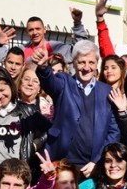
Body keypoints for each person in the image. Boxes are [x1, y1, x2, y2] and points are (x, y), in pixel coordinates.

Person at [34, 39, 119, 177]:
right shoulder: (64, 82)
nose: (86, 68)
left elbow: (113, 132)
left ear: (97, 64)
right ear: (73, 63)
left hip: (92, 167)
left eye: (91, 62)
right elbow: (50, 82)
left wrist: (98, 161)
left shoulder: (107, 92)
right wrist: (44, 66)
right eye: (81, 62)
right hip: (62, 162)